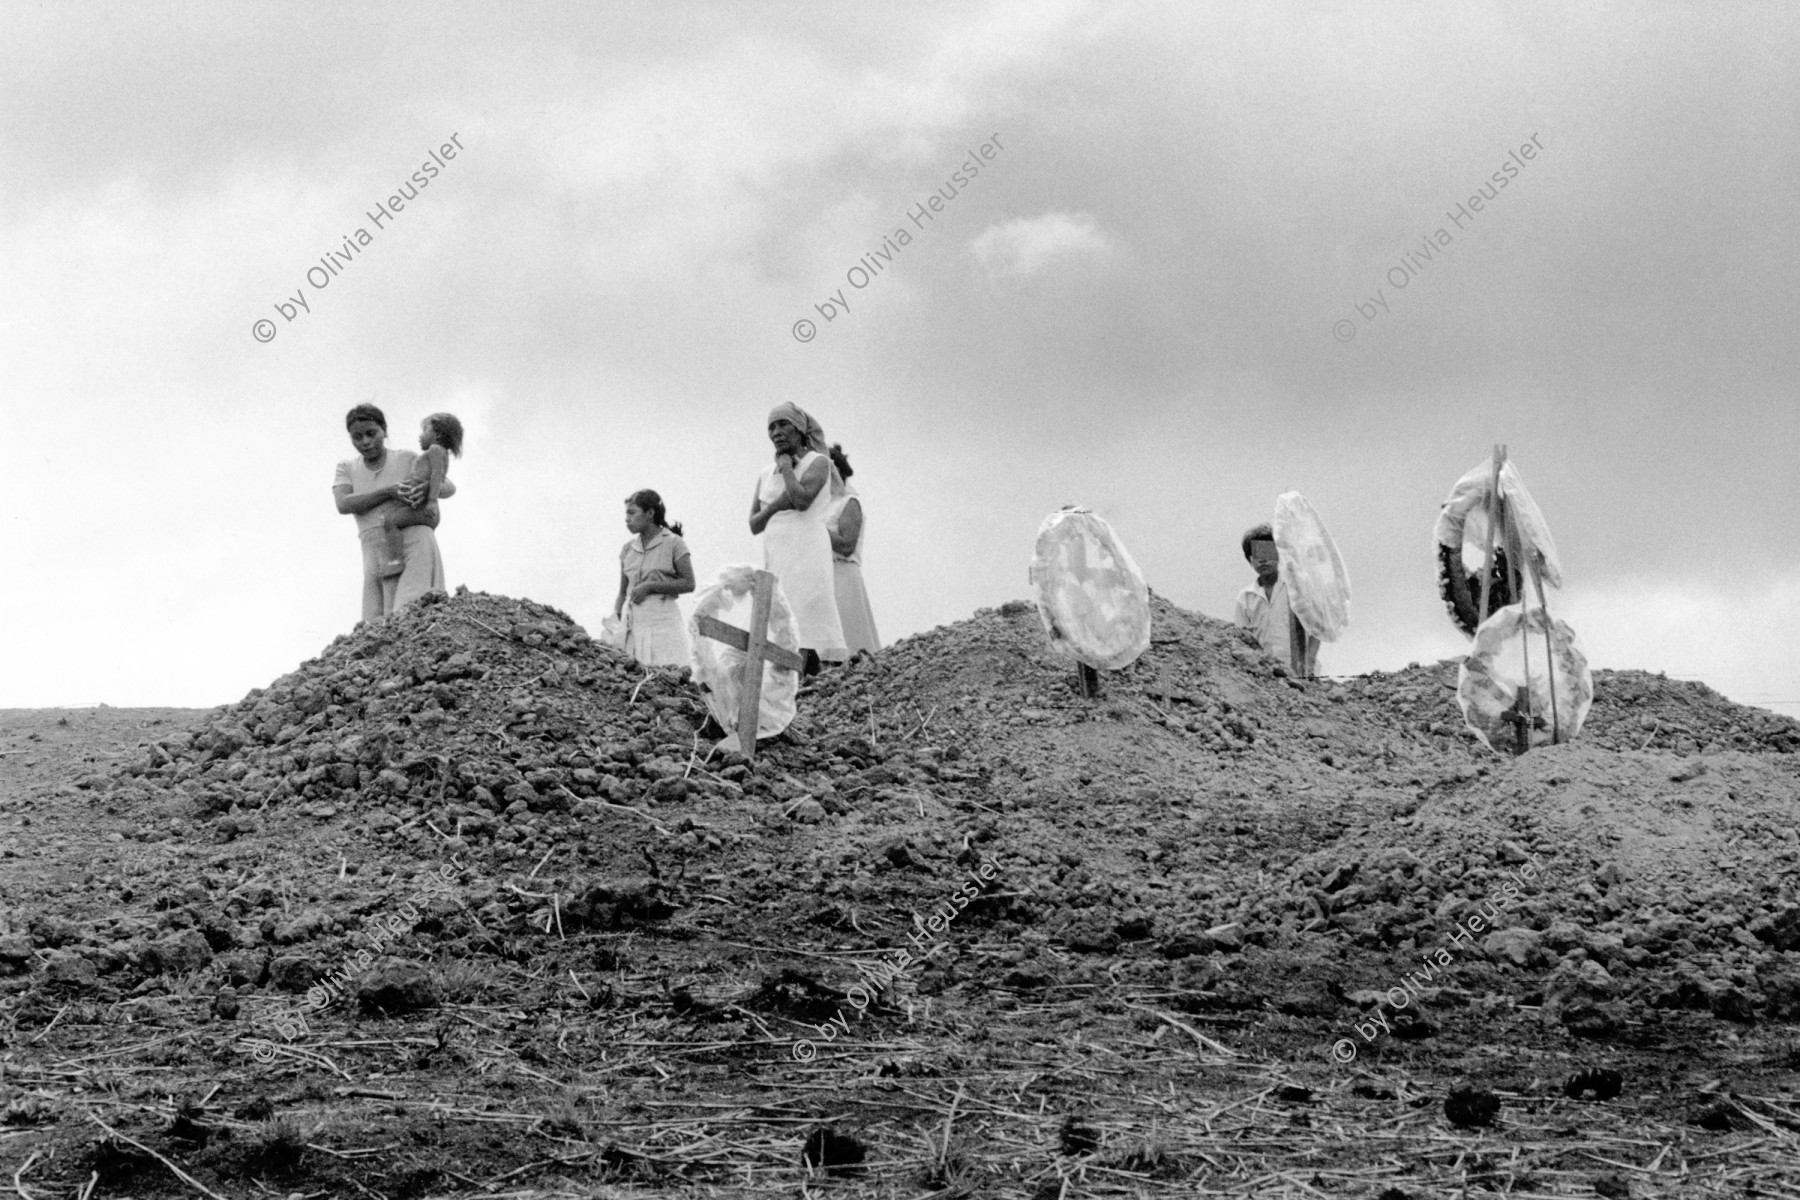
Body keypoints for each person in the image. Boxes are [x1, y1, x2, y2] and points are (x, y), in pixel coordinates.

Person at [332, 404, 454, 623]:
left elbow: (449, 487)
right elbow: (343, 503)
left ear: (384, 431)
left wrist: (427, 488)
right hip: (375, 548)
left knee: (414, 611)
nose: (365, 442)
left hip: (412, 540)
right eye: (357, 437)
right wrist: (389, 491)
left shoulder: (405, 458)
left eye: (371, 433)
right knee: (377, 623)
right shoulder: (347, 467)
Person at [749, 403, 844, 675]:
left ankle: (819, 674)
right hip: (778, 553)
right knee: (783, 613)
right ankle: (785, 678)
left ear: (799, 429)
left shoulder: (819, 462)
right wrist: (777, 506)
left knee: (810, 610)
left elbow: (802, 500)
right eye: (771, 427)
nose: (776, 432)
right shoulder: (766, 473)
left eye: (782, 425)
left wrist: (788, 468)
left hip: (808, 548)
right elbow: (755, 524)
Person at [613, 489, 695, 667]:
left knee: (669, 675)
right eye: (626, 513)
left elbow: (689, 583)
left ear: (650, 513)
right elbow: (622, 593)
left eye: (632, 512)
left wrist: (650, 586)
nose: (627, 519)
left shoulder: (674, 543)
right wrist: (619, 620)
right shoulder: (628, 549)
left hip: (663, 621)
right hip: (634, 622)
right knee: (637, 677)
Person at [380, 413, 463, 577]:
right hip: (425, 508)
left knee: (390, 521)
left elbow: (437, 474)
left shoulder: (435, 450)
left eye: (425, 430)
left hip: (426, 510)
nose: (421, 435)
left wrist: (431, 500)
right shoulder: (440, 452)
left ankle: (395, 561)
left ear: (437, 434)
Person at [1233, 523, 1319, 677]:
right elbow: (1241, 639)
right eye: (1257, 555)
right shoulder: (1245, 598)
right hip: (1263, 676)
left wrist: (1310, 661)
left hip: (1300, 674)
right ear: (1250, 560)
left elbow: (1317, 626)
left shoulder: (1296, 587)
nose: (1263, 560)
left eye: (1267, 552)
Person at [823, 443, 880, 661]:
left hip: (843, 576)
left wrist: (817, 531)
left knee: (850, 636)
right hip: (823, 576)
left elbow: (847, 545)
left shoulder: (848, 503)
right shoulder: (819, 508)